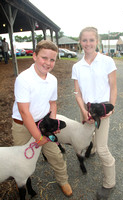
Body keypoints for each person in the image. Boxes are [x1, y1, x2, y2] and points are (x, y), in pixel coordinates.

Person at [11, 40, 72, 197]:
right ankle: (24, 186)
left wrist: (52, 123)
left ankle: (63, 180)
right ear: (34, 56)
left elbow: (52, 103)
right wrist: (38, 138)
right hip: (22, 126)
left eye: (52, 59)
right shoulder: (24, 79)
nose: (48, 63)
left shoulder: (52, 80)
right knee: (22, 160)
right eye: (44, 58)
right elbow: (24, 112)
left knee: (56, 155)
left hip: (43, 123)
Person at [72, 27, 117, 199]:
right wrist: (83, 111)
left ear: (97, 41)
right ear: (80, 42)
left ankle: (109, 183)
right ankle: (91, 148)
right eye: (85, 40)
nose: (88, 43)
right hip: (87, 107)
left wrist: (111, 108)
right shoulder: (77, 66)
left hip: (103, 108)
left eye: (91, 40)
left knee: (103, 149)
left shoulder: (107, 61)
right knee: (87, 135)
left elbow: (113, 86)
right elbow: (77, 92)